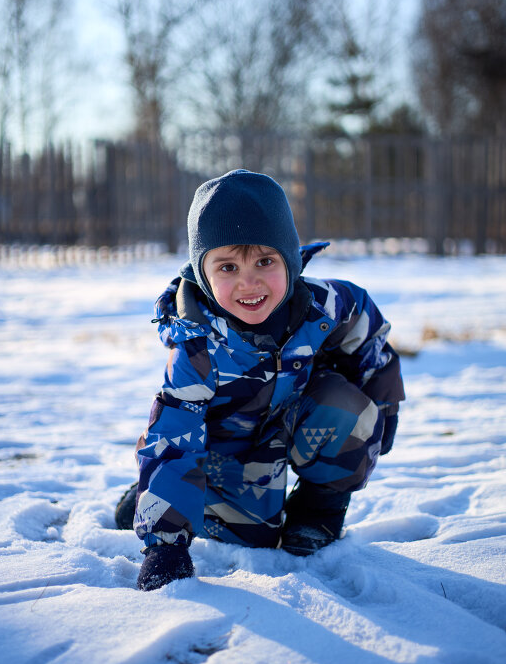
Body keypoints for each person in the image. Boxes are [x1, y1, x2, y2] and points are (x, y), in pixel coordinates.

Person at [117, 169, 405, 591]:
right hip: (224, 454)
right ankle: (145, 504)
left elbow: (369, 337)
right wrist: (166, 547)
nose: (248, 282)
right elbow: (173, 438)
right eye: (228, 266)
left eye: (265, 262)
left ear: (289, 259)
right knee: (255, 539)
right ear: (202, 273)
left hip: (291, 419)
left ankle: (318, 512)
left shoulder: (325, 306)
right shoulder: (198, 347)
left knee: (352, 415)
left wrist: (384, 408)